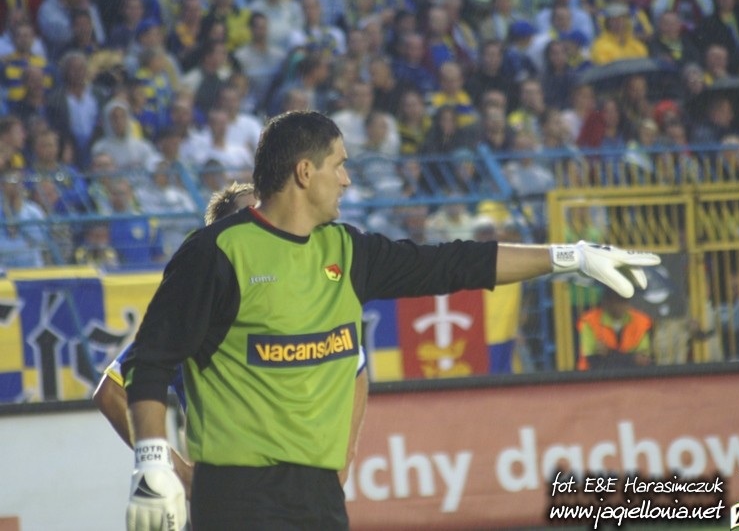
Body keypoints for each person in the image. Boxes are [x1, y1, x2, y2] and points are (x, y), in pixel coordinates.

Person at [122, 110, 660, 531]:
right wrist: (152, 464)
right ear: (305, 172)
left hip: (320, 498)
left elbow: (454, 263)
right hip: (238, 498)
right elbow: (149, 362)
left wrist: (568, 257)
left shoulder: (347, 250)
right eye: (339, 165)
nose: (346, 180)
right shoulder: (216, 252)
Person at [93, 182, 258, 500]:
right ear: (223, 236)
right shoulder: (195, 317)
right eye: (250, 215)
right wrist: (179, 472)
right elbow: (111, 393)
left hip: (292, 488)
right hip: (229, 494)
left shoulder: (287, 298)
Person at [576, 286, 654, 371]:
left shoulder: (641, 322)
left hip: (633, 376)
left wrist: (609, 353)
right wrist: (631, 359)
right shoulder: (589, 321)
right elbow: (592, 361)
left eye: (624, 300)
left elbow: (643, 361)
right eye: (617, 300)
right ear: (606, 302)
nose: (622, 305)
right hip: (594, 377)